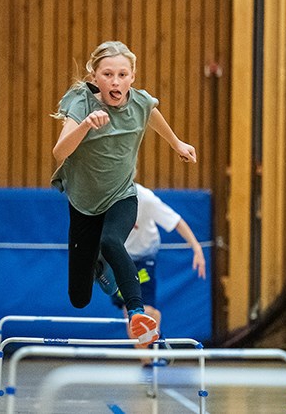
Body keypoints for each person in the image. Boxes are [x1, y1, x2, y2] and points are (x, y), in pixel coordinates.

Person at [51, 41, 197, 346]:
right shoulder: (81, 103)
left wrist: (177, 143)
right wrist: (86, 125)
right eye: (107, 75)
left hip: (122, 195)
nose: (115, 82)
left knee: (111, 240)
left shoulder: (140, 102)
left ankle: (136, 312)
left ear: (132, 77)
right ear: (94, 76)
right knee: (79, 297)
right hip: (83, 204)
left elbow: (151, 114)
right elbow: (59, 152)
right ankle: (99, 267)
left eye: (122, 75)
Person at [96, 182, 206, 363]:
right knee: (130, 317)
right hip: (118, 257)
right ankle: (150, 359)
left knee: (141, 312)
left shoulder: (145, 199)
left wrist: (197, 249)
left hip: (144, 256)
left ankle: (153, 353)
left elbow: (176, 221)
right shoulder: (101, 198)